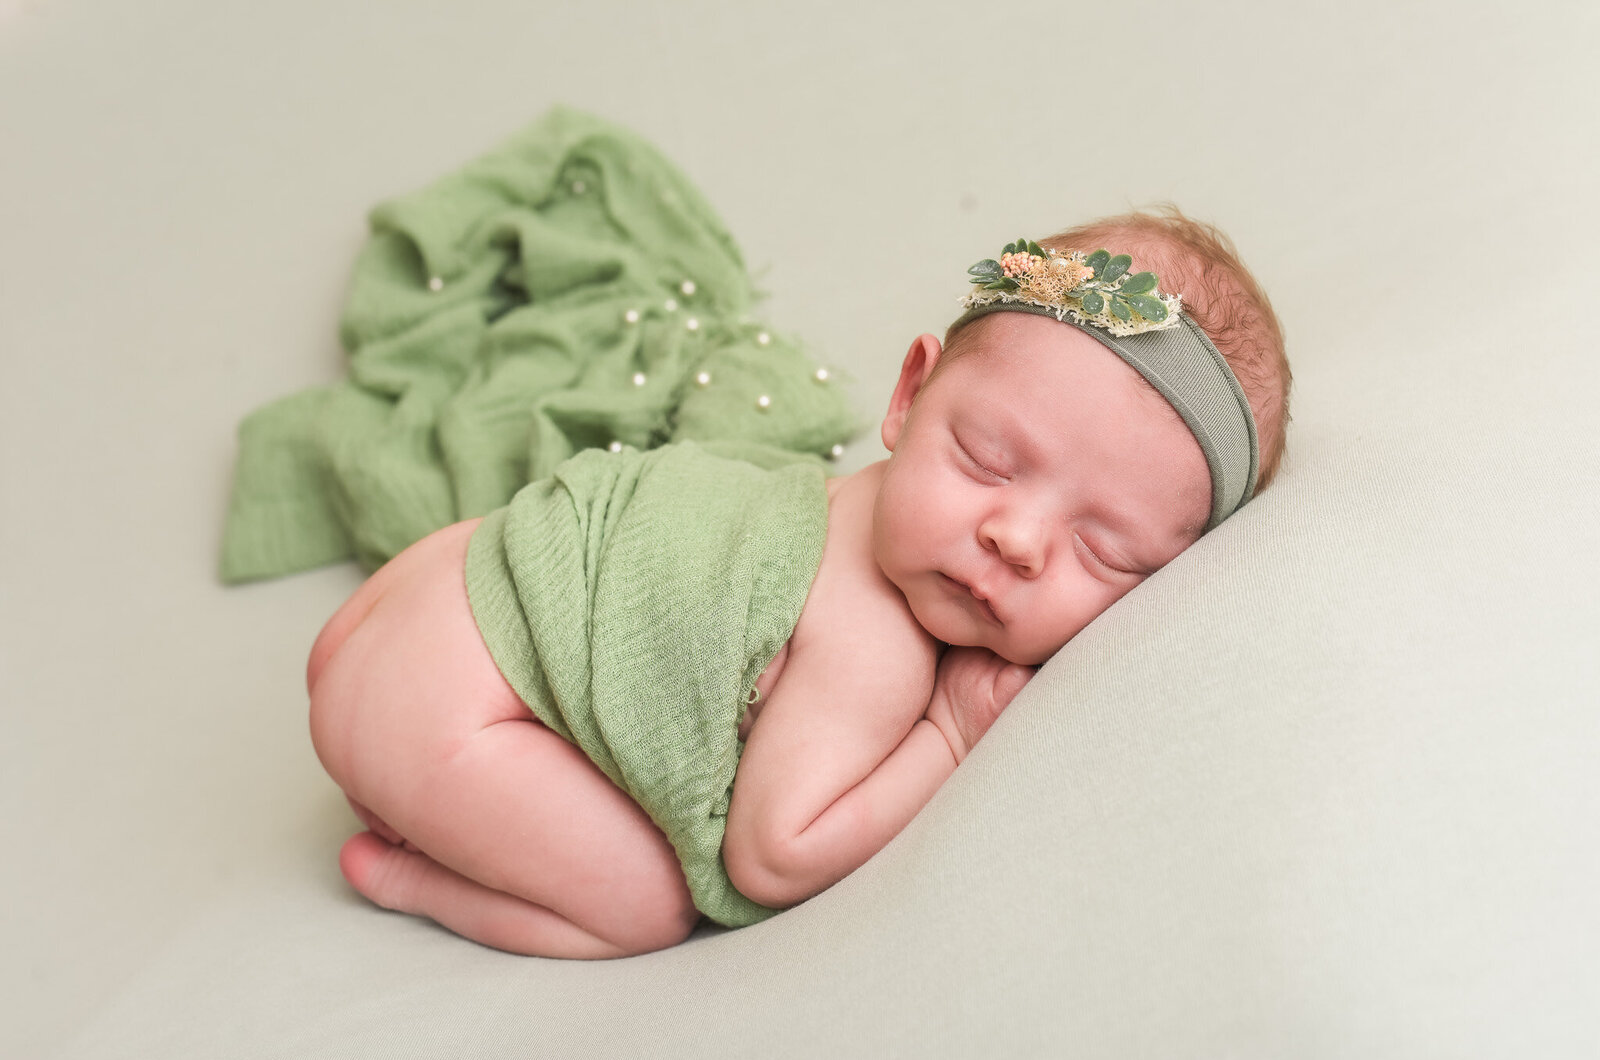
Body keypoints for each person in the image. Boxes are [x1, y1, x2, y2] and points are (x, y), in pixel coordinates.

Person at [304, 207, 1290, 960]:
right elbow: (770, 857)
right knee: (644, 907)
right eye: (989, 460)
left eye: (1103, 551)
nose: (1017, 539)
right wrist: (946, 736)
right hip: (437, 712)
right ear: (908, 396)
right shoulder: (874, 652)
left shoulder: (831, 495)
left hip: (421, 597)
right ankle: (405, 874)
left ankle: (417, 777)